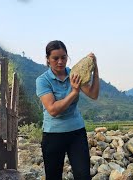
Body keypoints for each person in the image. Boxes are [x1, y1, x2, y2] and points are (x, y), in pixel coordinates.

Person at [36, 40, 99, 180]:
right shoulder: (43, 80)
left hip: (77, 133)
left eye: (63, 57)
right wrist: (74, 93)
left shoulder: (75, 75)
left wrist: (95, 67)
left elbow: (94, 94)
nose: (60, 61)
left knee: (83, 176)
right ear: (48, 59)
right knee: (53, 177)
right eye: (55, 58)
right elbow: (52, 110)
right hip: (53, 135)